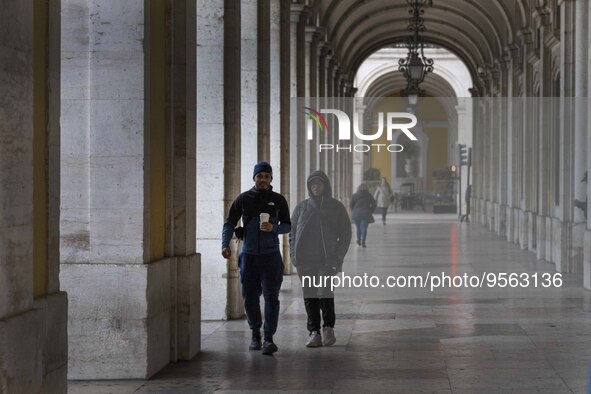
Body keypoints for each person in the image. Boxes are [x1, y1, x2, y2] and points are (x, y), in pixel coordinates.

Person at [221, 161, 291, 355]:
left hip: (271, 256)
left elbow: (288, 225)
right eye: (259, 176)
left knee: (271, 297)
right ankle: (255, 334)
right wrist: (224, 244)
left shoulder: (278, 200)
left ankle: (269, 338)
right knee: (250, 298)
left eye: (266, 176)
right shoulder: (243, 199)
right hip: (249, 256)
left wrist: (274, 228)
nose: (262, 179)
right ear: (254, 178)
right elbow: (229, 223)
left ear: (271, 179)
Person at [290, 170, 352, 348]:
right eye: (313, 184)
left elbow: (346, 233)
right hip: (305, 261)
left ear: (326, 185)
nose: (316, 186)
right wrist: (294, 258)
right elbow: (292, 233)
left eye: (319, 183)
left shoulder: (336, 207)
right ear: (309, 187)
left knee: (325, 294)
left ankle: (328, 328)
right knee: (310, 297)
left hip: (327, 260)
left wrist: (338, 257)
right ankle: (314, 332)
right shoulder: (301, 208)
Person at [350, 184, 376, 248]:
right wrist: (371, 210)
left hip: (356, 214)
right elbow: (374, 204)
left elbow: (351, 205)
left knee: (358, 228)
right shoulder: (369, 195)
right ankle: (363, 241)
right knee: (364, 228)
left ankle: (358, 240)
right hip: (366, 213)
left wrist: (354, 211)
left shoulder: (355, 195)